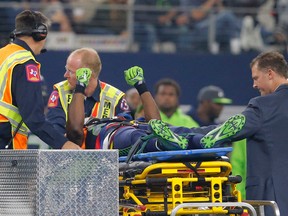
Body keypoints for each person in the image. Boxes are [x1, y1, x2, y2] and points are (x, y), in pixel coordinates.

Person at [198, 51, 288, 215]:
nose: (254, 85)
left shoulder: (263, 106)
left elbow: (220, 133)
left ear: (270, 74)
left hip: (273, 204)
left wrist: (182, 134)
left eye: (255, 78)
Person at [66, 66, 204, 156]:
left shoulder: (121, 117)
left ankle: (207, 136)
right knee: (137, 137)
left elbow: (156, 124)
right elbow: (75, 130)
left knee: (179, 130)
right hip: (112, 137)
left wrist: (141, 85)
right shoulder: (85, 132)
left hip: (132, 125)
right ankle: (167, 142)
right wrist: (80, 87)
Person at [0, 10, 80, 150]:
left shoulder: (3, 54)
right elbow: (34, 118)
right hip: (5, 142)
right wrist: (64, 144)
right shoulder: (26, 63)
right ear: (41, 34)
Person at [46, 47, 131, 149]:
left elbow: (125, 133)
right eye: (66, 69)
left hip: (103, 160)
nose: (65, 75)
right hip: (65, 156)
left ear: (86, 75)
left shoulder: (115, 97)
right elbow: (54, 129)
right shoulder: (60, 92)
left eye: (70, 71)